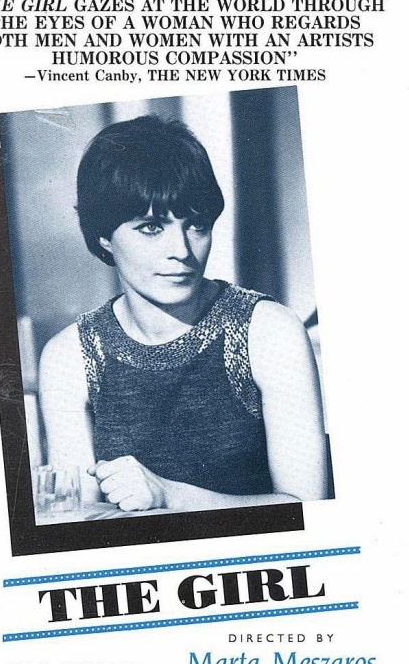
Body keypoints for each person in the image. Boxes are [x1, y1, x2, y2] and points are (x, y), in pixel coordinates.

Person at [39, 114, 328, 515]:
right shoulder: (69, 356)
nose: (182, 251)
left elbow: (309, 512)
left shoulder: (268, 330)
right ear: (103, 235)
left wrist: (171, 498)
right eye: (151, 227)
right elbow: (79, 519)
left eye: (196, 225)